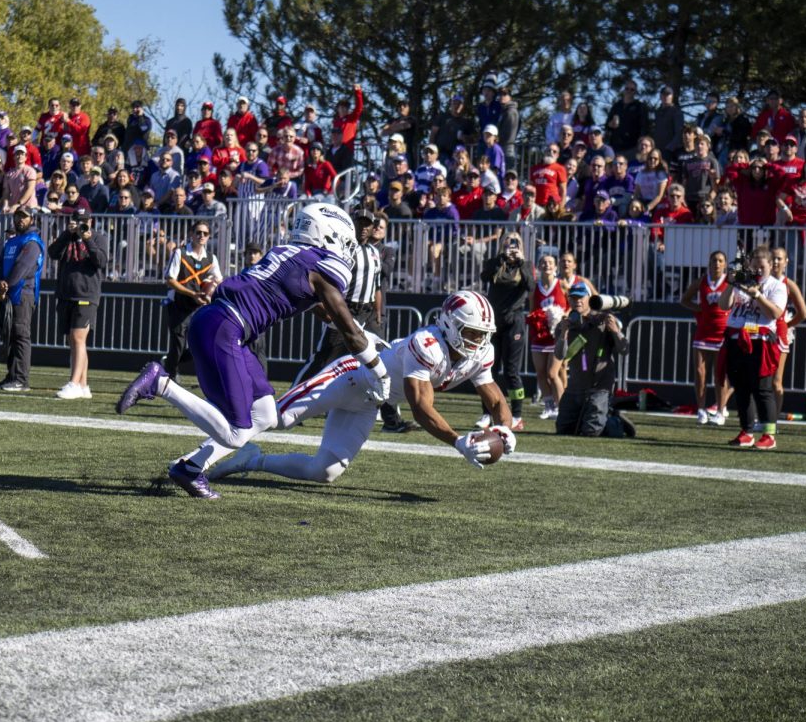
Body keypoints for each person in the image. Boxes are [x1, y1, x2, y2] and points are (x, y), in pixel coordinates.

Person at [117, 203, 390, 500]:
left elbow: (328, 314)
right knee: (236, 432)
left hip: (226, 325)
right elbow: (346, 328)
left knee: (265, 415)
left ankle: (189, 468)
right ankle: (160, 383)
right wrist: (378, 367)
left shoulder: (295, 256)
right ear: (328, 234)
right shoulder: (321, 268)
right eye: (346, 242)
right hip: (226, 327)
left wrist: (362, 333)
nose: (348, 249)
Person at [208, 292, 517, 485]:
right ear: (450, 324)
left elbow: (494, 397)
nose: (479, 342)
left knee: (323, 472)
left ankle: (251, 460)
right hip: (353, 377)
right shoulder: (428, 345)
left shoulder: (480, 353)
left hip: (369, 401)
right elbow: (421, 409)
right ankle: (195, 460)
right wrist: (457, 442)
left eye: (483, 334)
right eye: (473, 332)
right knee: (275, 417)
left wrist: (505, 429)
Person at [292, 210, 412, 433]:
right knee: (323, 358)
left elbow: (376, 285)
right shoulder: (345, 249)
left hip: (367, 312)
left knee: (380, 361)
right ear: (352, 223)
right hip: (346, 309)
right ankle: (292, 399)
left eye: (369, 224)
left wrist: (377, 311)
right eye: (361, 223)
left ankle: (390, 419)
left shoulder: (374, 253)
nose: (365, 228)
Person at [718, 245, 787, 450]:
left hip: (760, 340)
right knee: (741, 389)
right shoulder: (743, 282)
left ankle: (769, 434)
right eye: (754, 266)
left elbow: (775, 313)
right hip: (737, 338)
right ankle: (746, 431)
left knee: (762, 389)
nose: (757, 271)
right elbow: (723, 305)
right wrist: (732, 284)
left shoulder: (777, 286)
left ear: (770, 266)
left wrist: (758, 296)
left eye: (761, 267)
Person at [554, 282, 633, 437]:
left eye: (581, 297)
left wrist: (616, 331)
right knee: (563, 430)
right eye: (574, 298)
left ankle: (614, 420)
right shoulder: (565, 324)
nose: (578, 301)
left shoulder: (603, 321)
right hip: (575, 387)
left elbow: (625, 350)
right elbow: (559, 355)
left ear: (589, 299)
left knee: (591, 431)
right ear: (569, 300)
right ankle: (598, 416)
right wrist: (563, 333)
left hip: (599, 388)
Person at [47, 206, 109, 399]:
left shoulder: (99, 238)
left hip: (86, 295)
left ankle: (73, 383)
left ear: (90, 221)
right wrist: (67, 233)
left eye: (85, 221)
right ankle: (83, 385)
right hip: (67, 294)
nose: (82, 224)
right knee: (73, 341)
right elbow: (53, 253)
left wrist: (87, 238)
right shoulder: (68, 237)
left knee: (78, 338)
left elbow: (101, 261)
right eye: (78, 220)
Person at [478, 232, 533, 432]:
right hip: (494, 322)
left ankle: (517, 414)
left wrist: (520, 262)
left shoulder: (525, 265)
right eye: (508, 243)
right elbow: (484, 276)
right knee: (488, 370)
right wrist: (501, 257)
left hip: (514, 321)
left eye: (515, 243)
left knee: (512, 371)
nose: (511, 247)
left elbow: (530, 285)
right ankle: (487, 413)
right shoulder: (495, 262)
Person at [0, 205, 45, 393]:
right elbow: (0, 264)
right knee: (11, 335)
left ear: (32, 219)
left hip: (23, 293)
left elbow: (23, 267)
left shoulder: (32, 242)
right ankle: (12, 375)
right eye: (17, 216)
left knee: (21, 335)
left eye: (24, 217)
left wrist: (6, 283)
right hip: (8, 293)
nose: (20, 220)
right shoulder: (12, 241)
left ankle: (21, 379)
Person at [161, 221, 223, 378]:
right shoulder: (180, 253)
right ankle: (170, 378)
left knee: (202, 344)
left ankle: (169, 363)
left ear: (208, 237)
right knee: (178, 345)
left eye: (205, 233)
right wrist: (192, 293)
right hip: (178, 304)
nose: (201, 236)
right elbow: (169, 279)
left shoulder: (211, 258)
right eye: (198, 232)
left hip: (198, 306)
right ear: (191, 234)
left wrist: (210, 289)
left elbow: (219, 280)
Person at [681, 250, 731, 426]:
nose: (717, 264)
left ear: (725, 264)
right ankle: (701, 410)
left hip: (722, 334)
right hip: (703, 332)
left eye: (720, 261)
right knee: (700, 373)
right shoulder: (702, 281)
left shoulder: (729, 282)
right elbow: (684, 300)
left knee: (720, 375)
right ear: (709, 263)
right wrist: (699, 310)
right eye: (714, 260)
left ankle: (720, 411)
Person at [768, 246, 806, 417]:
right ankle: (760, 416)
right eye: (774, 258)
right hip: (760, 333)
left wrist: (787, 325)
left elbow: (804, 313)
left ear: (786, 262)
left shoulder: (788, 284)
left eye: (780, 258)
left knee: (776, 381)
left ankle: (773, 420)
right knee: (760, 380)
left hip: (778, 336)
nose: (776, 262)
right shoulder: (763, 281)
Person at [526, 253, 567, 419]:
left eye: (550, 263)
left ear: (556, 267)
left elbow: (572, 305)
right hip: (539, 335)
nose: (547, 265)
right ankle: (549, 407)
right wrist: (538, 320)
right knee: (541, 373)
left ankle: (562, 407)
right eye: (543, 262)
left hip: (557, 335)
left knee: (553, 373)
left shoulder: (562, 284)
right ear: (539, 267)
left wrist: (560, 317)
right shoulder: (534, 288)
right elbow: (531, 310)